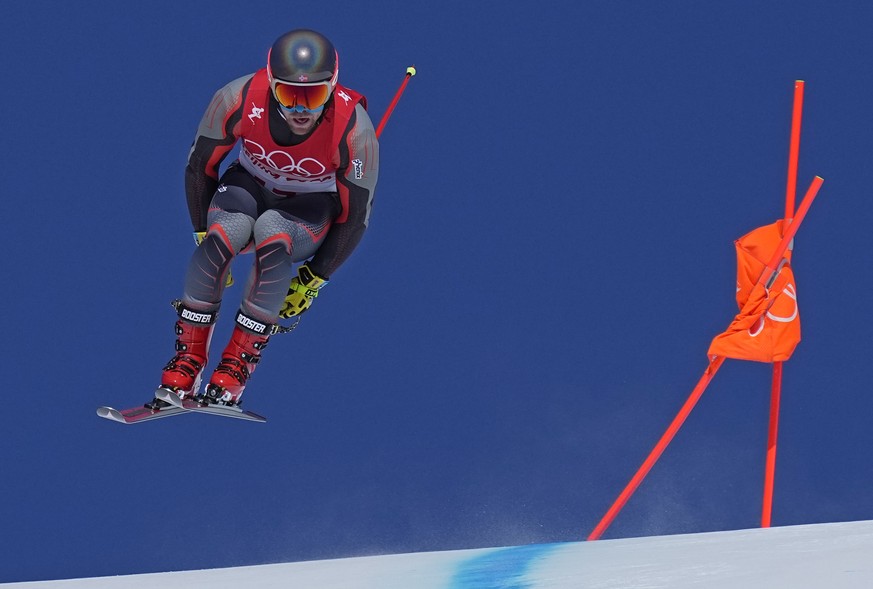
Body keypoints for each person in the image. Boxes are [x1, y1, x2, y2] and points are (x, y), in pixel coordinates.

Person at [151, 29, 379, 409]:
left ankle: (235, 368)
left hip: (307, 205)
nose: (301, 110)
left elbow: (355, 218)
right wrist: (203, 231)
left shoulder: (355, 131)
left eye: (315, 96)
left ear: (333, 87)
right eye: (289, 95)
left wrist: (313, 279)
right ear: (272, 84)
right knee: (224, 237)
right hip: (248, 185)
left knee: (274, 237)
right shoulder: (236, 98)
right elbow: (198, 168)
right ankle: (187, 363)